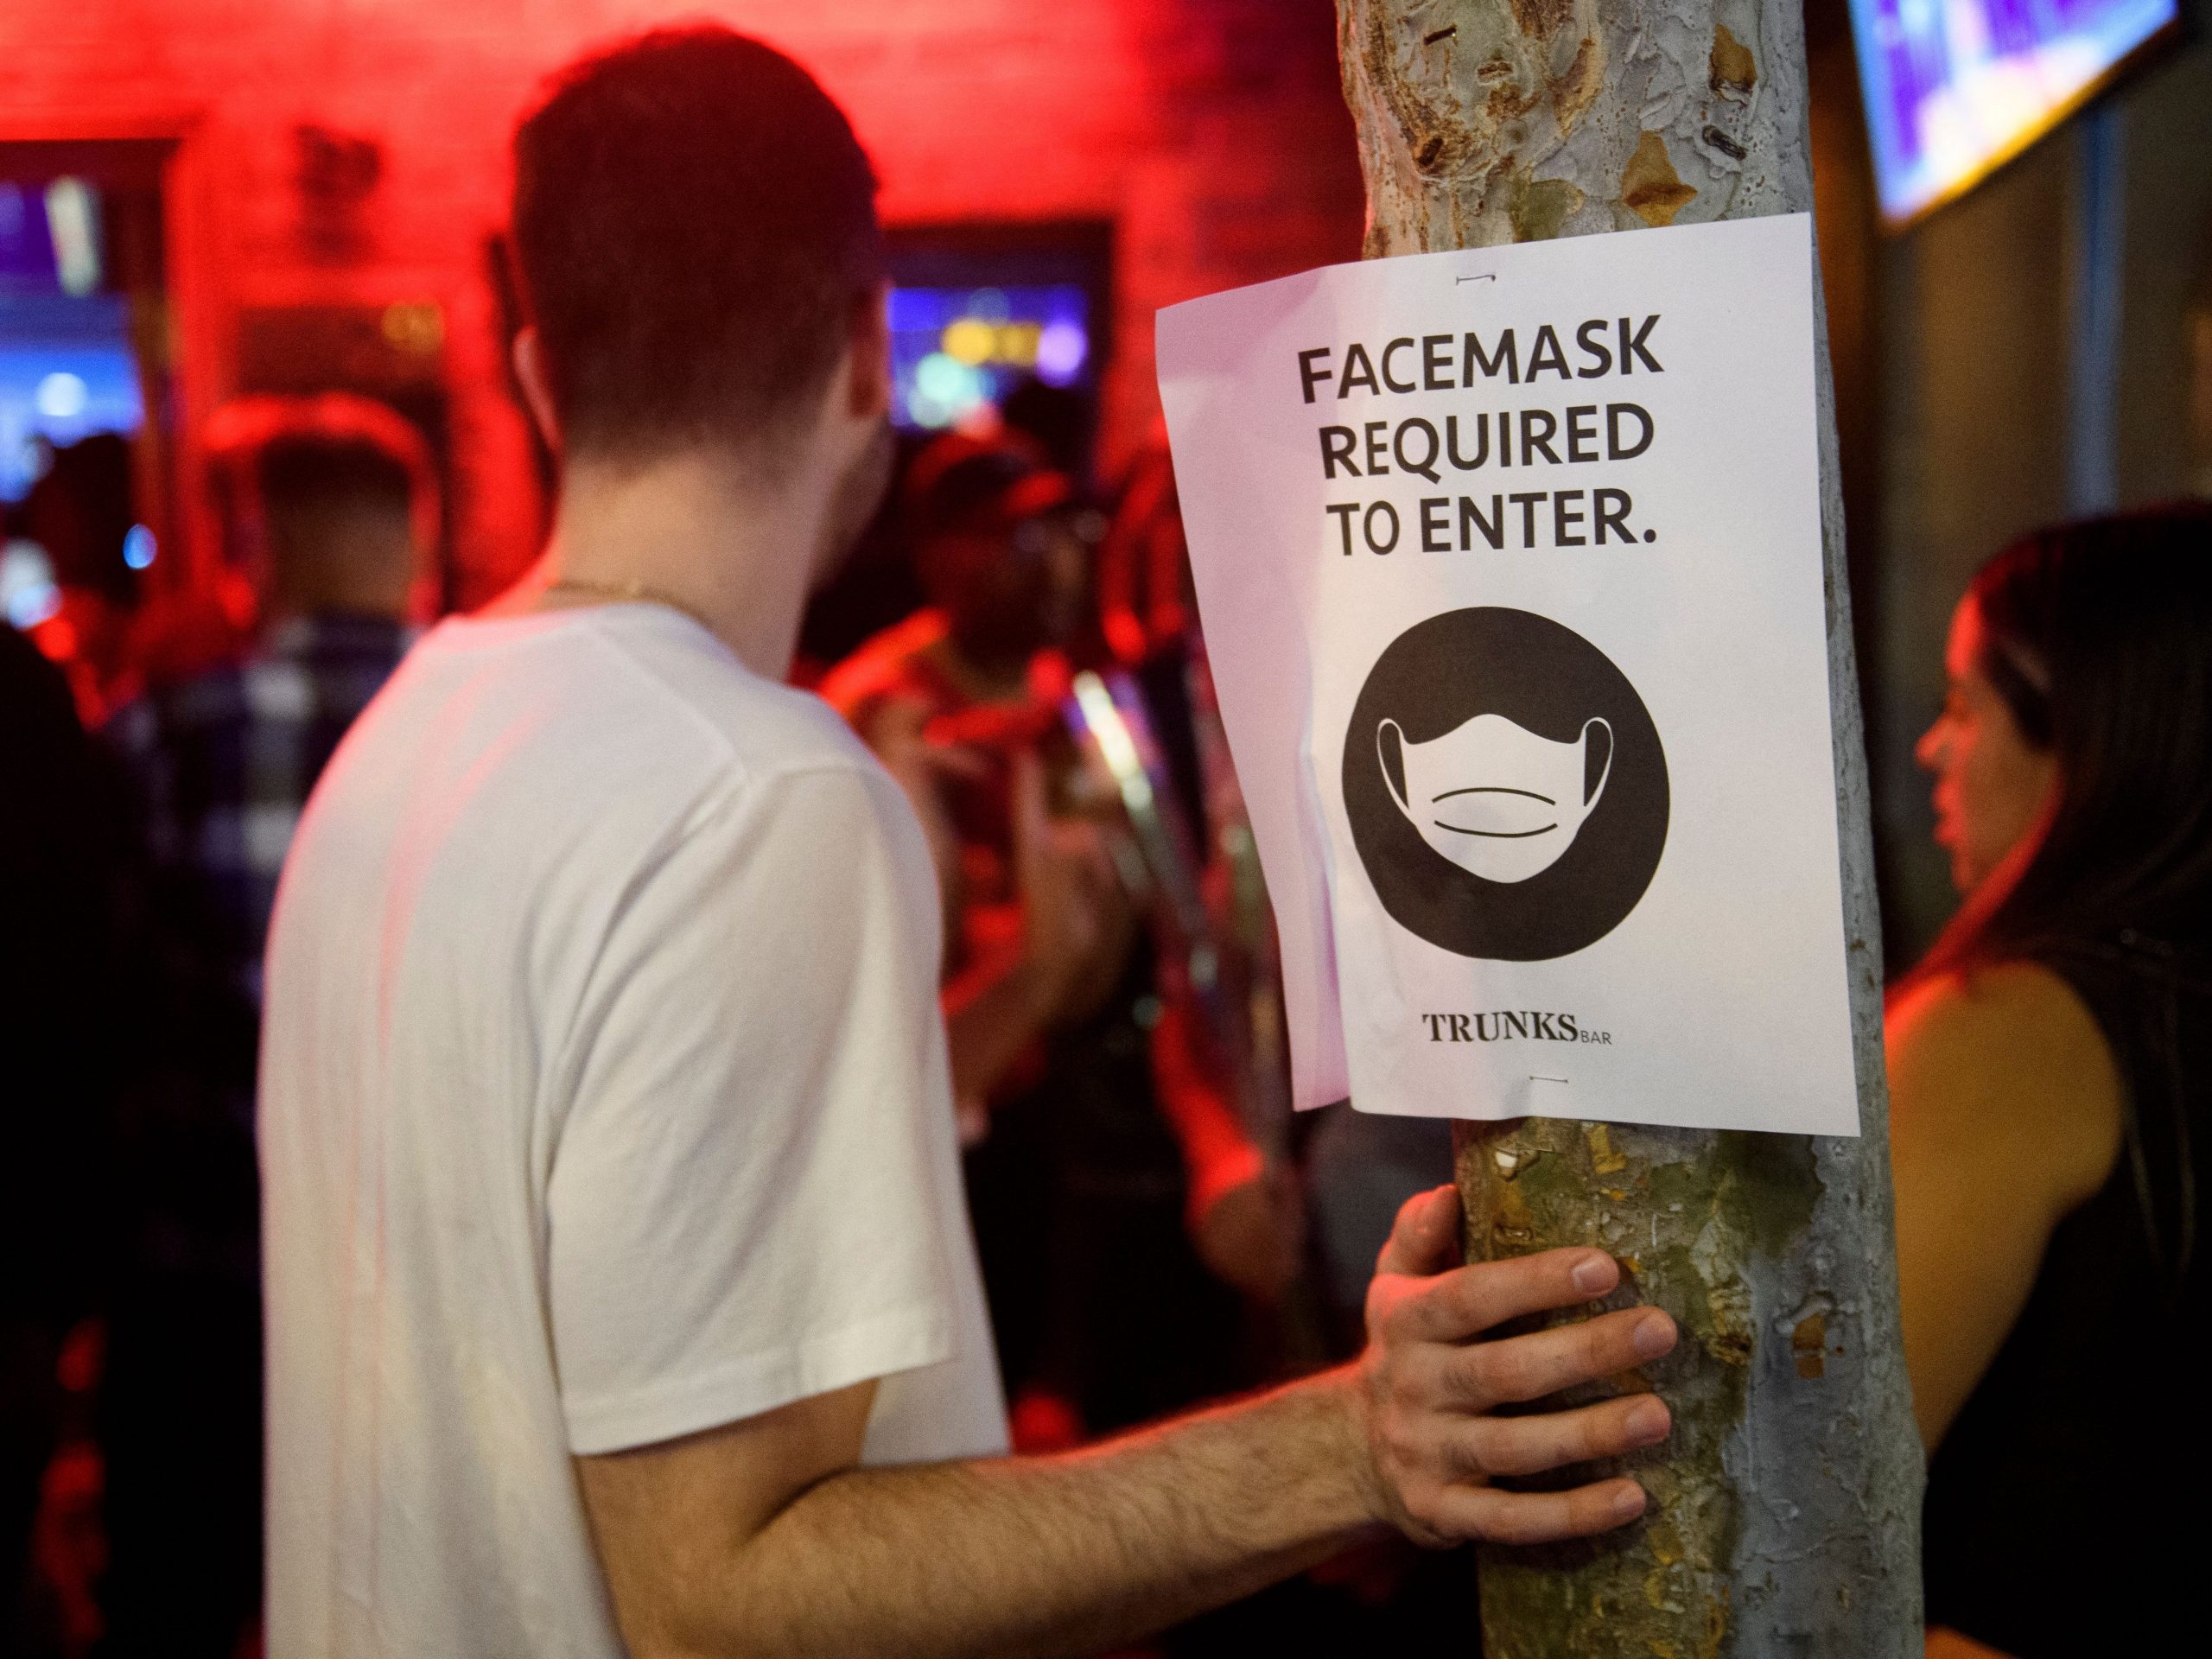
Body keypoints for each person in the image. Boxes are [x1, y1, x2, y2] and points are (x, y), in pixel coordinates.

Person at [258, 29, 1679, 1656]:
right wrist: (1354, 1441)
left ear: (532, 373)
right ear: (870, 361)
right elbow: (720, 1599)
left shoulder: (405, 742)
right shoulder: (756, 792)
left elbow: (634, 1215)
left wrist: (1015, 996)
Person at [96, 396, 429, 1656]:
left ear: (253, 544)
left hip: (203, 1289)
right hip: (435, 1312)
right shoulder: (509, 733)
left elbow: (106, 1012)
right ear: (416, 539)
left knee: (172, 1613)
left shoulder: (169, 735)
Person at [1888, 506, 2212, 1659]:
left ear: (2084, 737)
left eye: (1966, 704)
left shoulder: (2009, 1031)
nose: (1934, 747)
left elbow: (1815, 1486)